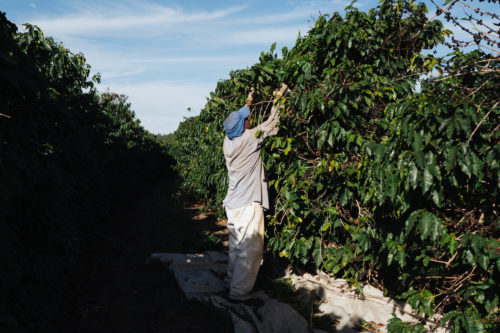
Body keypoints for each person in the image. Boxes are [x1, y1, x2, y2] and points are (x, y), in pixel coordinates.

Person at [222, 84, 288, 301]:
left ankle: (230, 282)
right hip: (248, 205)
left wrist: (249, 101)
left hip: (233, 205)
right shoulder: (250, 138)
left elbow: (239, 121)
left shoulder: (229, 140)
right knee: (250, 251)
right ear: (244, 127)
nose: (249, 120)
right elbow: (272, 124)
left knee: (235, 248)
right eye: (246, 119)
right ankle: (239, 294)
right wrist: (279, 97)